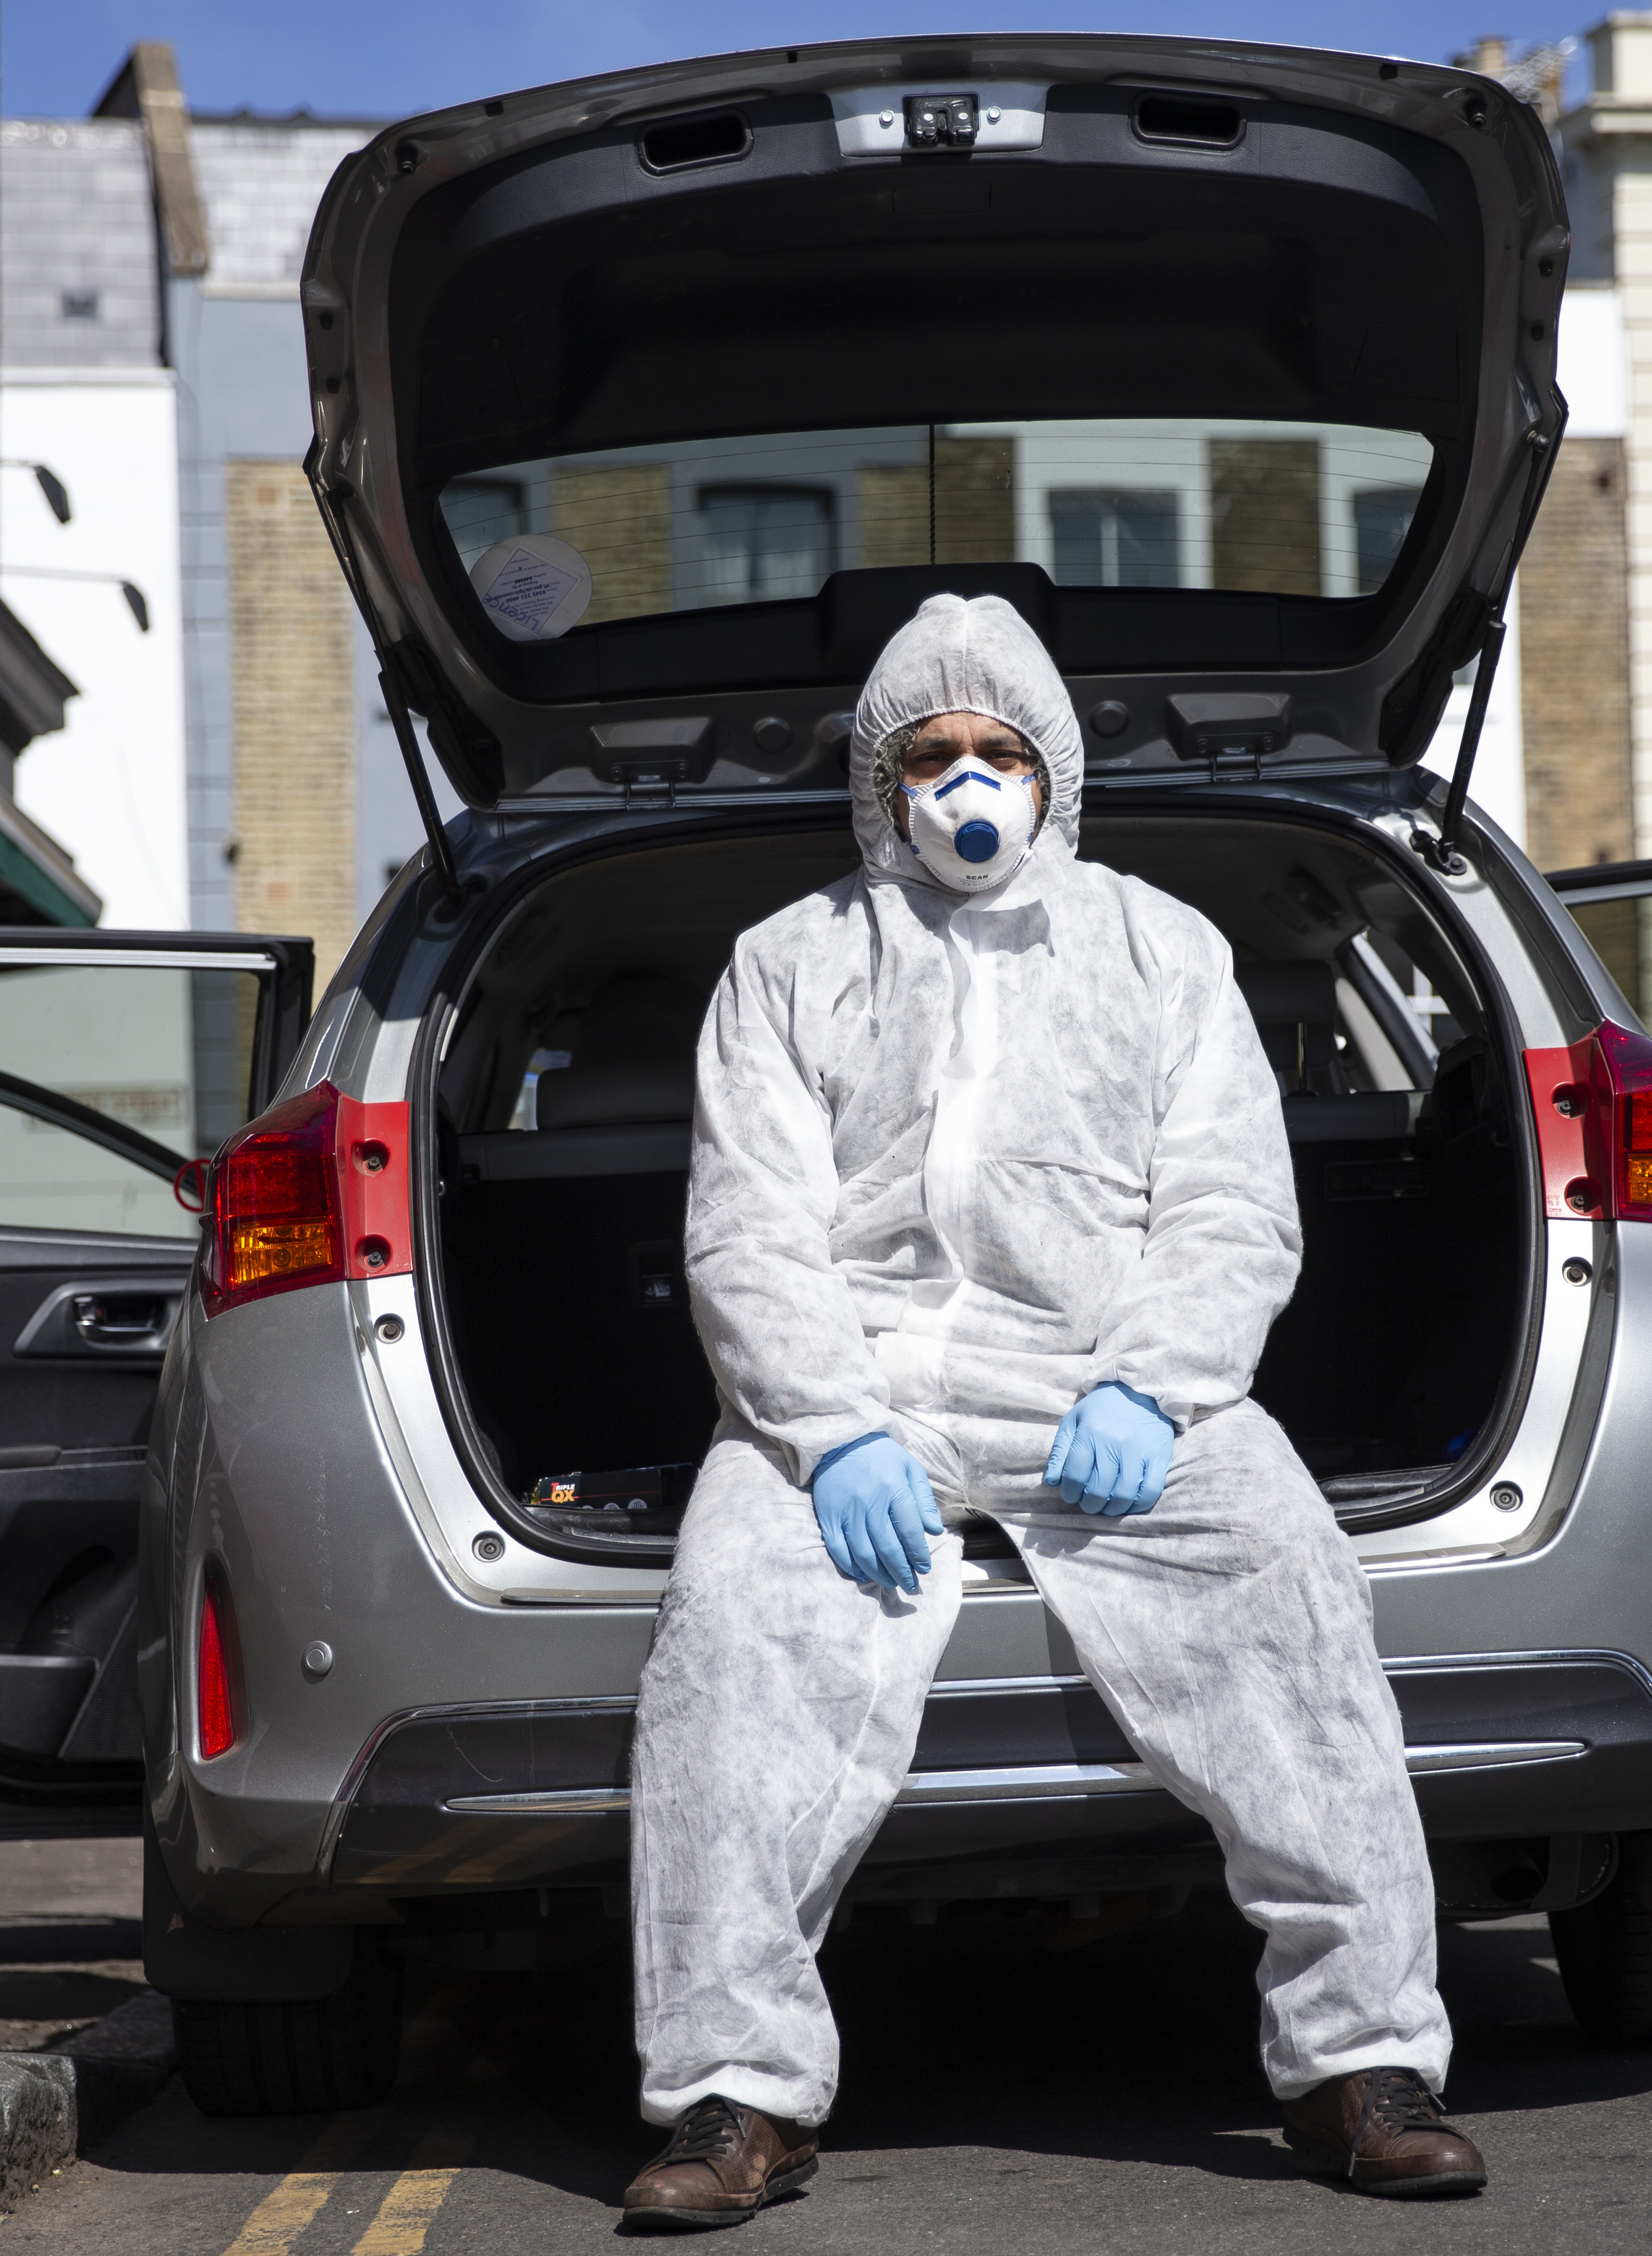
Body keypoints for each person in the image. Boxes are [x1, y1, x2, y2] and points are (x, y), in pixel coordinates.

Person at [617, 595, 1478, 2231]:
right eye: (930, 755)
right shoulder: (789, 961)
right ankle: (732, 2093)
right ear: (878, 786)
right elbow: (746, 1228)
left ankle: (1361, 2062)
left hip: (1107, 1386)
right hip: (854, 1398)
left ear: (1051, 773)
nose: (965, 783)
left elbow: (1229, 1207)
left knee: (1290, 1589)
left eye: (998, 751)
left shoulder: (1160, 947)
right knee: (729, 1635)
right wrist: (828, 1425)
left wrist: (1152, 1382)